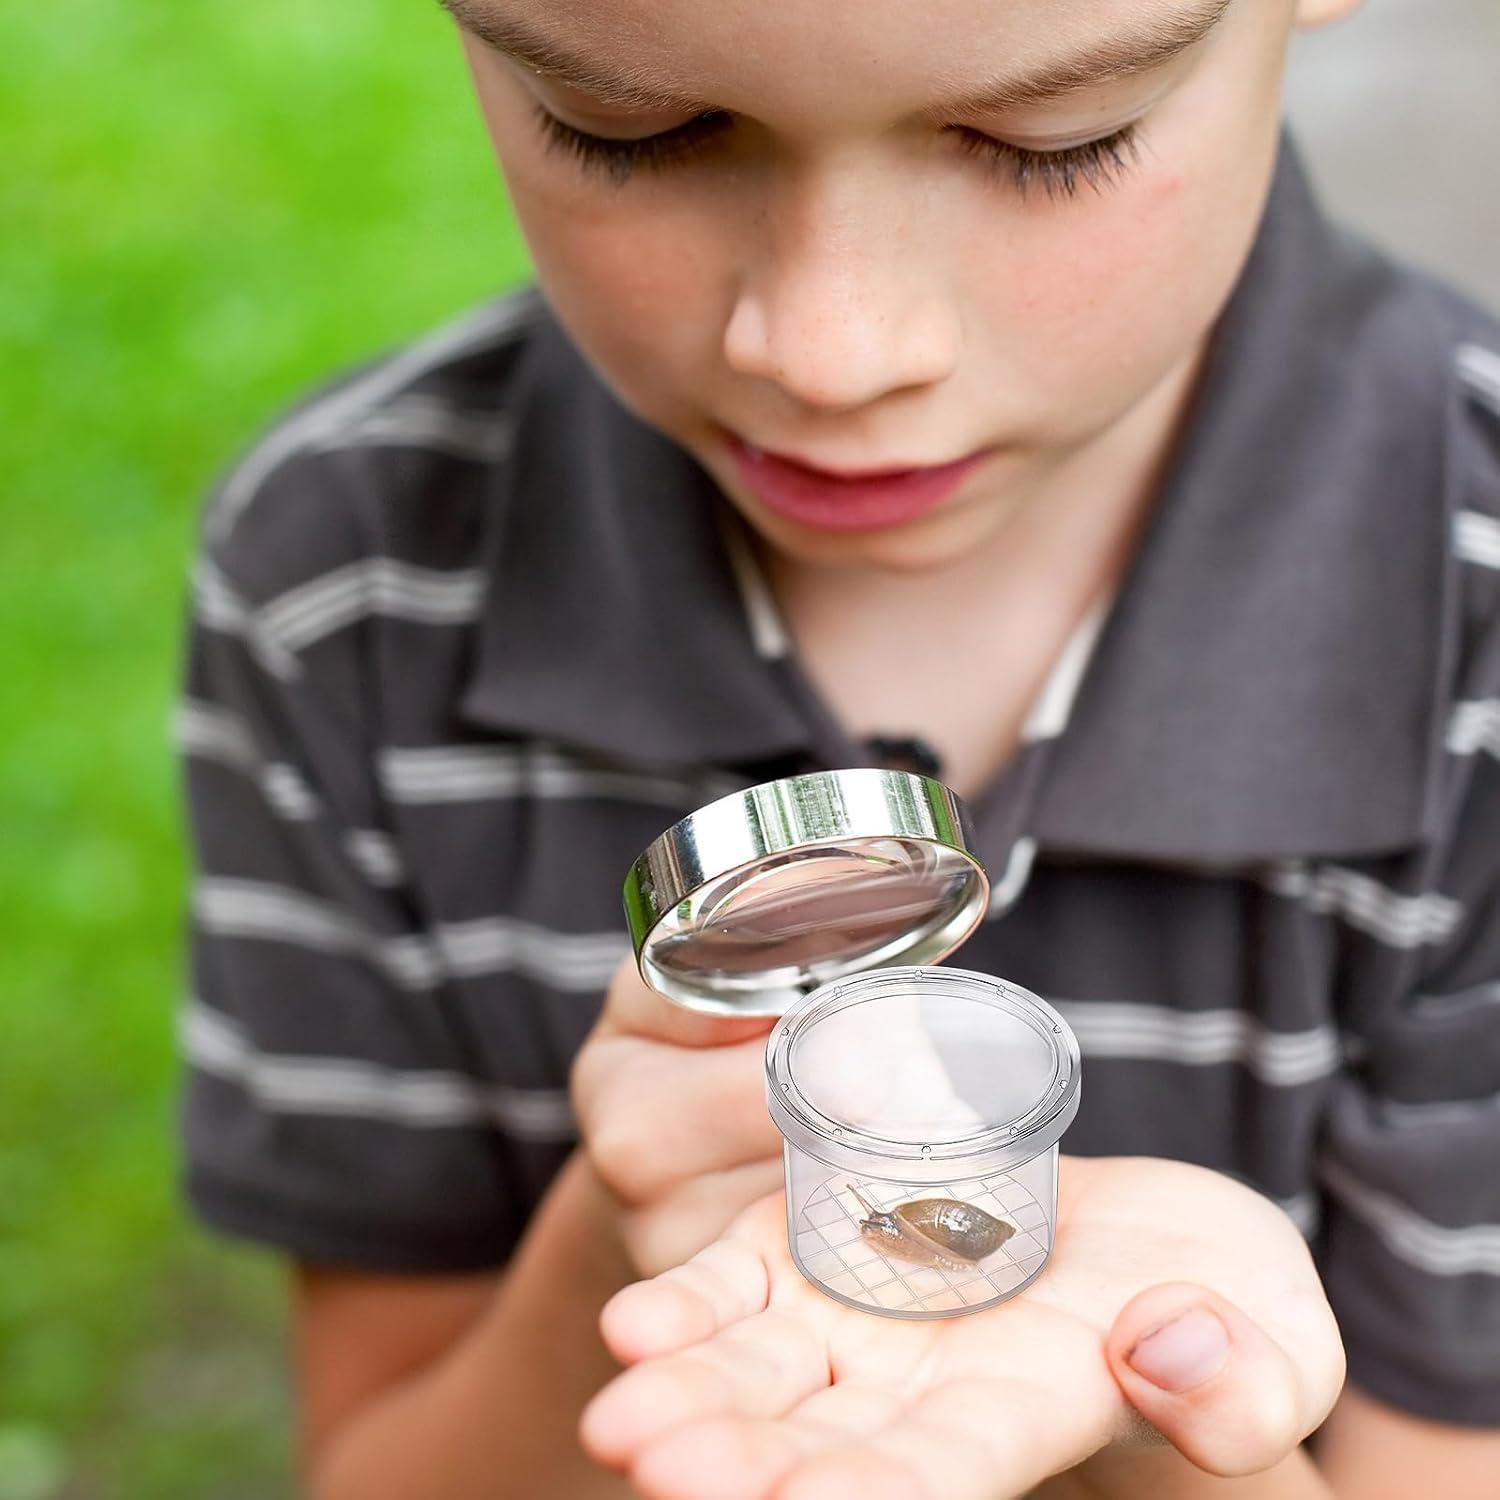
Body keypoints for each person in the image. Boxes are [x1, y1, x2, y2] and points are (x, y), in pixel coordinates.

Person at [173, 0, 1500, 1494]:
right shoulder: (345, 591)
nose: (831, 352)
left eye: (1048, 143)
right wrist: (629, 1234)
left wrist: (1160, 1413)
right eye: (633, 129)